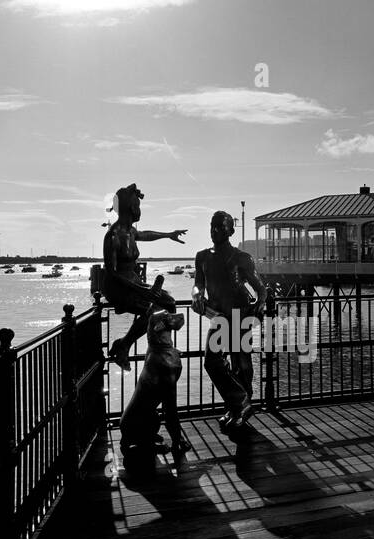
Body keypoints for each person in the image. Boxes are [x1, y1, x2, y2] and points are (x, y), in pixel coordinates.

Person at [193, 211, 267, 431]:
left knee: (241, 363)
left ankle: (239, 408)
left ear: (230, 231)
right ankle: (239, 402)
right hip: (218, 316)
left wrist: (260, 305)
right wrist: (197, 295)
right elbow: (199, 284)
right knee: (211, 361)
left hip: (240, 314)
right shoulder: (202, 257)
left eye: (220, 227)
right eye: (212, 226)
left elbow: (260, 288)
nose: (215, 230)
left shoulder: (242, 258)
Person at [102, 184, 186, 369]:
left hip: (133, 283)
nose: (140, 211)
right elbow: (112, 273)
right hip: (118, 288)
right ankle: (125, 346)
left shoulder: (131, 232)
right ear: (131, 208)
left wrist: (168, 235)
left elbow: (146, 234)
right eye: (138, 206)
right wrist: (143, 290)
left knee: (169, 303)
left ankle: (162, 347)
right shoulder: (113, 236)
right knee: (154, 309)